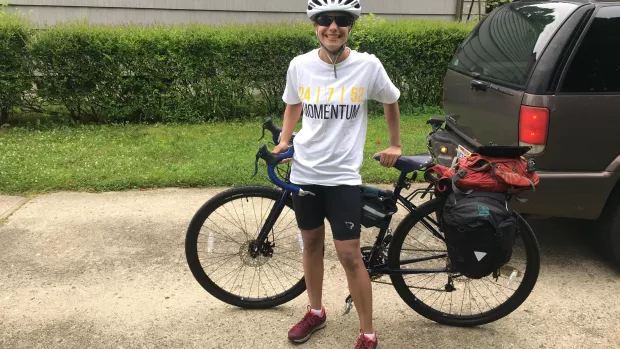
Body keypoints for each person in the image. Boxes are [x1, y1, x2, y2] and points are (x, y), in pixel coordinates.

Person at [272, 0, 401, 347]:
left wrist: (395, 144)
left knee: (349, 254)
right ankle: (315, 312)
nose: (333, 27)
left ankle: (368, 331)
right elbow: (293, 103)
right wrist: (285, 140)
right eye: (325, 20)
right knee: (311, 245)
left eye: (341, 20)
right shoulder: (300, 65)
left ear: (350, 27)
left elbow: (390, 99)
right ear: (315, 25)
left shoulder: (367, 65)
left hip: (343, 177)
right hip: (306, 172)